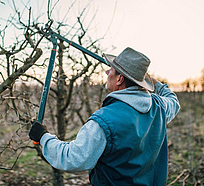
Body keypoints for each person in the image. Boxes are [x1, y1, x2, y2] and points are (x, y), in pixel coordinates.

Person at [29, 47, 180, 185]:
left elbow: (72, 158)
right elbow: (173, 100)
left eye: (111, 69)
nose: (107, 72)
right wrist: (151, 81)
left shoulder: (104, 121)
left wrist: (43, 137)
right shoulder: (160, 106)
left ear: (120, 79)